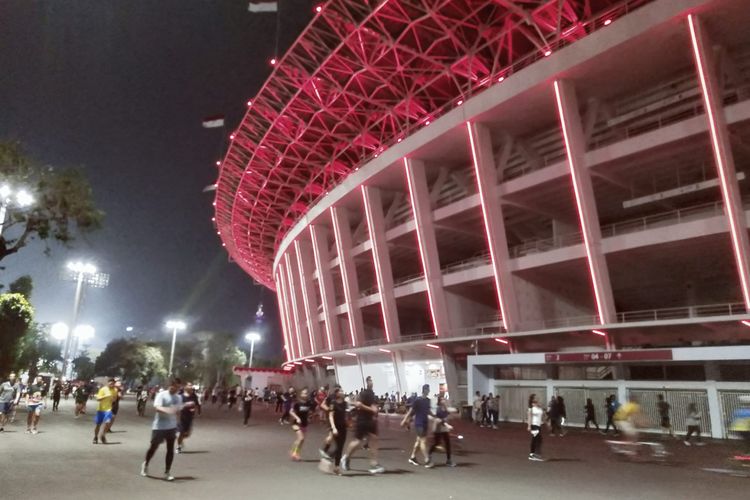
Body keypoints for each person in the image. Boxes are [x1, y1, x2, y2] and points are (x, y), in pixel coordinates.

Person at [341, 376, 385, 474]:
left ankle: (374, 464)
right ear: (367, 382)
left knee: (374, 440)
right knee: (357, 442)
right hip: (362, 420)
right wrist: (371, 409)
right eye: (370, 380)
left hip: (371, 421)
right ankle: (346, 457)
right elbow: (359, 405)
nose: (372, 382)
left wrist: (375, 411)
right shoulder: (364, 393)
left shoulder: (373, 394)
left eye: (373, 380)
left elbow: (373, 406)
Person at [141, 378, 182, 481]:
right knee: (153, 447)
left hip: (171, 427)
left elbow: (177, 411)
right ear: (170, 386)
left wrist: (178, 424)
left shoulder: (178, 397)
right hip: (159, 426)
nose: (176, 389)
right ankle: (145, 464)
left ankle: (167, 472)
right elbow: (157, 408)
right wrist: (168, 410)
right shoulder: (162, 395)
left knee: (170, 450)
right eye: (175, 386)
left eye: (178, 387)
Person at [401, 383, 434, 468]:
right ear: (424, 390)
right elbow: (411, 411)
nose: (429, 390)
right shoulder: (418, 400)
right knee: (423, 441)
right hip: (419, 423)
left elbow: (428, 411)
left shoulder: (428, 400)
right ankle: (427, 460)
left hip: (425, 423)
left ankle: (413, 457)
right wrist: (405, 420)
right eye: (428, 389)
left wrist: (434, 416)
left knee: (418, 441)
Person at [428, 396, 456, 467]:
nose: (444, 400)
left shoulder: (445, 408)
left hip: (444, 429)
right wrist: (447, 425)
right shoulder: (439, 409)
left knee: (447, 443)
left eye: (444, 399)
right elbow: (441, 420)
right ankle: (428, 454)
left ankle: (449, 460)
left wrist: (455, 409)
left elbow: (451, 411)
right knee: (437, 443)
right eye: (442, 400)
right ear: (439, 402)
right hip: (438, 428)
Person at [326, 387, 348, 475]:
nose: (343, 392)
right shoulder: (333, 403)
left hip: (343, 427)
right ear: (337, 393)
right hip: (336, 427)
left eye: (343, 391)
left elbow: (345, 414)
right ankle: (337, 467)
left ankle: (330, 457)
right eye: (341, 391)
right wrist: (333, 428)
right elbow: (331, 416)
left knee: (341, 447)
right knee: (339, 447)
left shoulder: (345, 403)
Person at [289, 388, 315, 461]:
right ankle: (295, 454)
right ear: (300, 394)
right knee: (301, 438)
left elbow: (310, 412)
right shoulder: (296, 403)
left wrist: (310, 417)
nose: (305, 394)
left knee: (300, 440)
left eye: (306, 393)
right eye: (304, 393)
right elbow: (291, 412)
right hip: (296, 423)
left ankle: (293, 451)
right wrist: (297, 418)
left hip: (304, 423)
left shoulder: (309, 403)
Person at [177, 382, 201, 453]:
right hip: (181, 416)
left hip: (190, 417)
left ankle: (180, 440)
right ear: (185, 387)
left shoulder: (194, 396)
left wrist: (196, 410)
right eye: (189, 386)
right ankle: (178, 447)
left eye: (191, 386)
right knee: (181, 432)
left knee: (187, 434)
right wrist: (185, 405)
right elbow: (177, 406)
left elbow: (197, 405)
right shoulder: (180, 396)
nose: (190, 387)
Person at [93, 378, 117, 444]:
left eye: (113, 384)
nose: (112, 385)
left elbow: (114, 399)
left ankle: (103, 435)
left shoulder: (115, 390)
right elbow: (98, 399)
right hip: (100, 409)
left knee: (107, 422)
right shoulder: (103, 389)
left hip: (108, 409)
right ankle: (95, 437)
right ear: (108, 383)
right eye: (110, 383)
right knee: (98, 425)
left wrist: (113, 399)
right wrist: (105, 396)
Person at [527, 393, 545, 461]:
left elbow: (542, 415)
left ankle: (535, 454)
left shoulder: (539, 407)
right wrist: (529, 426)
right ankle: (532, 455)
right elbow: (529, 417)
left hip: (538, 425)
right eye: (536, 398)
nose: (537, 399)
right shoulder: (531, 408)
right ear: (533, 400)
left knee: (539, 440)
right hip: (534, 425)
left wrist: (543, 421)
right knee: (535, 439)